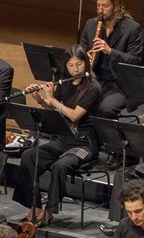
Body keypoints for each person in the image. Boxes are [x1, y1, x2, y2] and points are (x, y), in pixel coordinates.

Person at [11, 46, 102, 226]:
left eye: (79, 64)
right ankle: (34, 207)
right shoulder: (66, 82)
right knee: (29, 156)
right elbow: (53, 108)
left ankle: (49, 210)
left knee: (61, 165)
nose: (75, 69)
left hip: (85, 143)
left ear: (86, 64)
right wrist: (40, 99)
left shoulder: (94, 88)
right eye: (71, 65)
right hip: (63, 138)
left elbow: (74, 115)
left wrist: (52, 99)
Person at [79, 0, 143, 119]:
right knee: (75, 101)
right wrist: (85, 58)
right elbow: (80, 53)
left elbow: (136, 60)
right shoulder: (91, 25)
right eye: (98, 6)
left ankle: (106, 139)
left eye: (105, 6)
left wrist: (110, 51)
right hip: (95, 81)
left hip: (120, 86)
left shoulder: (132, 29)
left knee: (105, 108)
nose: (100, 10)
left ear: (116, 7)